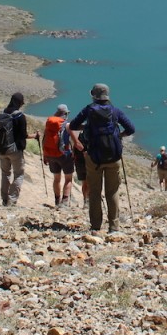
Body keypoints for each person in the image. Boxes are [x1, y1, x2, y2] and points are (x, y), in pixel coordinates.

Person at [69, 83, 135, 232]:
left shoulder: (89, 110)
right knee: (112, 192)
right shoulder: (115, 111)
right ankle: (114, 226)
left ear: (94, 95)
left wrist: (88, 128)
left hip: (94, 158)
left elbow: (73, 125)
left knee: (94, 192)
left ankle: (96, 226)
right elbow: (131, 128)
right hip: (113, 157)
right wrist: (119, 135)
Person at [0, 92, 32, 207]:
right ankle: (12, 200)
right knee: (18, 174)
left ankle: (4, 199)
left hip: (2, 149)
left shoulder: (2, 113)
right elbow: (23, 134)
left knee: (5, 174)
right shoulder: (19, 116)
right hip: (15, 150)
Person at [41, 104, 75, 207]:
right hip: (64, 155)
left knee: (56, 179)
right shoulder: (66, 125)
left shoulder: (49, 123)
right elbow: (72, 140)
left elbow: (44, 139)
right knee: (68, 179)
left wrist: (45, 155)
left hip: (50, 154)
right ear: (65, 114)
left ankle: (56, 202)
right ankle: (64, 203)